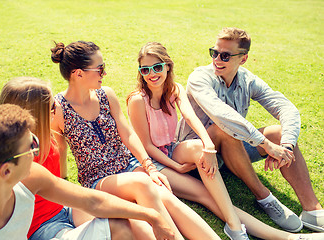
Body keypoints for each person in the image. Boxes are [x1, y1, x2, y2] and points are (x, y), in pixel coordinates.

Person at [127, 41, 324, 240]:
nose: (152, 74)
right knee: (207, 196)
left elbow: (190, 117)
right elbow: (146, 146)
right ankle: (275, 235)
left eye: (157, 67)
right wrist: (176, 167)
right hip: (154, 161)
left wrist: (209, 146)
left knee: (199, 147)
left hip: (172, 148)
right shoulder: (137, 100)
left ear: (168, 66)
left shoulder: (175, 89)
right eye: (145, 70)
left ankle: (240, 225)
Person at [50, 40, 221, 240]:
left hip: (129, 165)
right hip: (97, 178)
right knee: (142, 183)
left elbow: (128, 133)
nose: (104, 73)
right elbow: (59, 151)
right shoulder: (58, 109)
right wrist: (63, 187)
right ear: (78, 73)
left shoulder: (106, 94)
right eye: (100, 68)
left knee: (167, 197)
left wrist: (150, 168)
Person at [177, 27, 324, 233]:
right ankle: (264, 197)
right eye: (214, 52)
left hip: (231, 152)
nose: (217, 59)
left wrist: (285, 145)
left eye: (225, 56)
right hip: (196, 157)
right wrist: (266, 145)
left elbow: (285, 107)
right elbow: (223, 115)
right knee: (224, 129)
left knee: (279, 133)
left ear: (243, 59)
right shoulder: (199, 78)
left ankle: (312, 209)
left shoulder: (247, 80)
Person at [0, 104, 175, 240]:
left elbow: (92, 201)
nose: (36, 150)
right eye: (30, 147)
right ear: (5, 171)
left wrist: (152, 216)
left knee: (118, 224)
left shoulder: (30, 176)